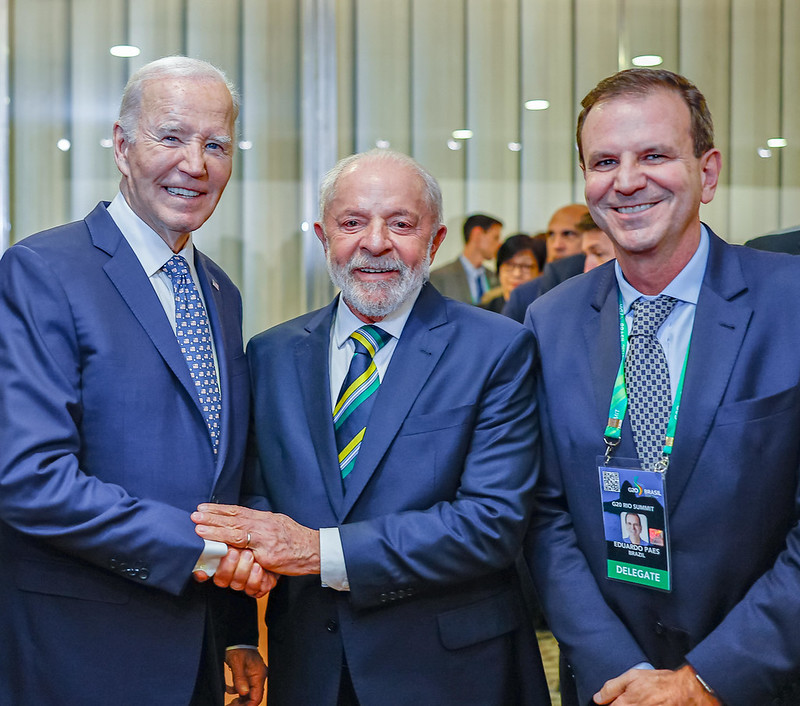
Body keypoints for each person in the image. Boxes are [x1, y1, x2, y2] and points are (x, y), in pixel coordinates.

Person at [192, 149, 550, 705]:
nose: (376, 243)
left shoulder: (497, 349)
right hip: (308, 667)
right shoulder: (270, 354)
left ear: (434, 241)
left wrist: (320, 551)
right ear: (323, 236)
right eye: (352, 222)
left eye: (401, 224)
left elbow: (491, 522)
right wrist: (238, 628)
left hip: (451, 675)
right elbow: (253, 499)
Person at [524, 67, 800, 706]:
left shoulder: (790, 302)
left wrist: (707, 679)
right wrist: (620, 671)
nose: (626, 181)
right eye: (604, 161)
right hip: (608, 685)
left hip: (762, 681)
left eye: (654, 155)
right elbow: (544, 514)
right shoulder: (549, 321)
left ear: (707, 172)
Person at [0, 56, 266, 706]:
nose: (195, 164)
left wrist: (237, 632)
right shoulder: (42, 271)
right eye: (170, 137)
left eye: (216, 145)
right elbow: (28, 477)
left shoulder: (220, 292)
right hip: (78, 650)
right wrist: (200, 550)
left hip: (196, 649)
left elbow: (221, 470)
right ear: (122, 146)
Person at [502, 204, 589, 322]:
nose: (556, 245)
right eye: (551, 235)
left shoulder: (608, 289)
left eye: (568, 234)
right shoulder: (523, 296)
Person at [429, 213, 502, 303]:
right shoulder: (439, 277)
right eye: (495, 238)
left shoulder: (496, 278)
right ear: (477, 235)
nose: (499, 244)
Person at [481, 233, 545, 313]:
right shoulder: (483, 313)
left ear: (540, 273)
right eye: (509, 265)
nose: (517, 274)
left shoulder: (544, 313)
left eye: (526, 267)